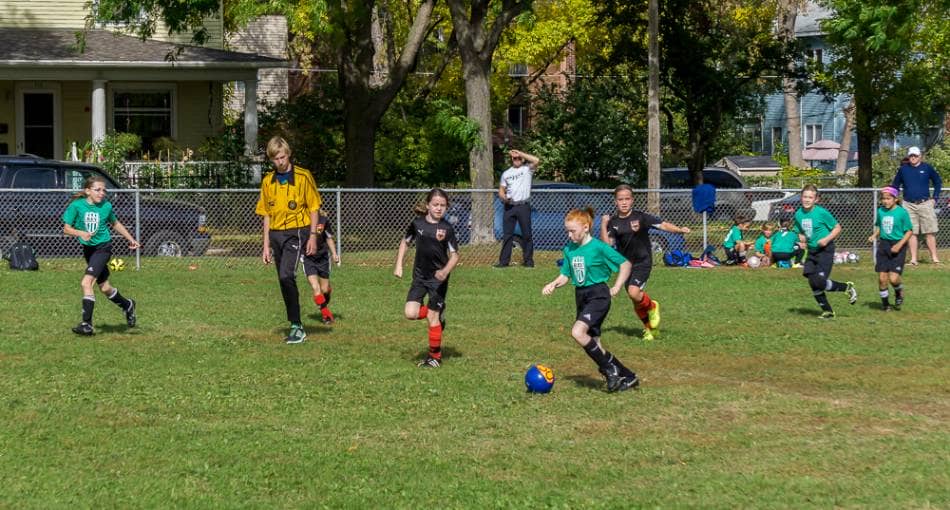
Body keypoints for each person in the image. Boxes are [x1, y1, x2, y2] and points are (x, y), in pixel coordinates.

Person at [543, 208, 639, 393]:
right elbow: (565, 275)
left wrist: (617, 286)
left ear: (586, 227)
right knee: (594, 343)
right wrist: (553, 284)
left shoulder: (598, 247)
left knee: (578, 332)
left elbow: (625, 264)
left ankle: (609, 370)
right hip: (581, 296)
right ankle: (628, 376)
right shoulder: (569, 249)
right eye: (567, 231)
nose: (569, 235)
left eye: (573, 230)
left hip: (598, 295)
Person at [600, 184, 691, 341]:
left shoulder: (640, 217)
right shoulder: (613, 222)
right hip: (626, 265)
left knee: (634, 292)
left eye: (627, 199)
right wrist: (603, 224)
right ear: (615, 201)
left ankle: (653, 306)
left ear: (632, 200)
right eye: (620, 199)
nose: (624, 202)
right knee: (635, 299)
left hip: (643, 261)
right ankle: (650, 329)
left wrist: (679, 229)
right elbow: (607, 244)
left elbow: (662, 224)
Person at [255, 136, 322, 344]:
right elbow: (266, 214)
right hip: (275, 234)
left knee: (286, 275)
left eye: (282, 157)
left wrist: (312, 236)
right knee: (283, 280)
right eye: (275, 159)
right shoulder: (268, 181)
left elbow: (314, 208)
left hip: (296, 232)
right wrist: (265, 245)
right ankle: (295, 322)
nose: (280, 162)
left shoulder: (303, 177)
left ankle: (297, 326)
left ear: (288, 154)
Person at [61, 175, 139, 335]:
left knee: (86, 283)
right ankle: (128, 305)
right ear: (87, 191)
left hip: (103, 248)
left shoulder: (106, 206)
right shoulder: (77, 206)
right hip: (89, 250)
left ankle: (86, 325)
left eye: (104, 190)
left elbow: (115, 223)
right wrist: (80, 232)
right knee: (105, 287)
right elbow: (66, 229)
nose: (102, 193)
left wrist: (131, 239)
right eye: (97, 190)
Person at [394, 188, 460, 368]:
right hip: (419, 277)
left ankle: (434, 358)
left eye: (443, 205)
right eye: (435, 205)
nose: (439, 208)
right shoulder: (417, 224)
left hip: (438, 280)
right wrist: (399, 264)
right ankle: (439, 314)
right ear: (428, 205)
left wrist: (445, 271)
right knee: (410, 313)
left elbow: (455, 256)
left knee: (432, 317)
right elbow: (405, 242)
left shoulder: (447, 228)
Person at [794, 184, 857, 318]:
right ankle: (828, 311)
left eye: (810, 197)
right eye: (805, 196)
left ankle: (846, 287)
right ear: (801, 197)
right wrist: (801, 238)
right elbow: (800, 230)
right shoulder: (798, 214)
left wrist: (826, 239)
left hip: (825, 250)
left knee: (820, 281)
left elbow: (837, 228)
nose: (807, 200)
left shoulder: (821, 213)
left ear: (816, 199)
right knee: (813, 282)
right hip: (812, 251)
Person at [891, 146, 942, 265]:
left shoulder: (927, 168)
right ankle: (914, 259)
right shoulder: (903, 169)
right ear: (908, 157)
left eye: (915, 155)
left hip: (925, 204)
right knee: (911, 232)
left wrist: (935, 198)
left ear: (920, 156)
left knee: (929, 232)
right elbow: (895, 185)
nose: (913, 158)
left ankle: (935, 259)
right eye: (911, 156)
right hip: (908, 204)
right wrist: (894, 199)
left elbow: (938, 182)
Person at [868, 186, 913, 311]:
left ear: (895, 199)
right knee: (882, 278)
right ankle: (885, 305)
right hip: (884, 246)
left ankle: (899, 292)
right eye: (883, 199)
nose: (885, 201)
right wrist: (874, 235)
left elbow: (909, 231)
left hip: (898, 245)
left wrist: (899, 245)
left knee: (893, 278)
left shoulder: (902, 212)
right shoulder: (881, 211)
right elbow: (879, 226)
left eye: (888, 199)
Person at [495, 149, 540, 268]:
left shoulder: (527, 170)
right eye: (515, 158)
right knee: (507, 235)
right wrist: (503, 197)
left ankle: (528, 261)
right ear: (511, 160)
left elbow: (536, 160)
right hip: (510, 206)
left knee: (527, 234)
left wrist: (520, 153)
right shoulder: (506, 173)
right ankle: (503, 262)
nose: (517, 160)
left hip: (523, 206)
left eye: (519, 158)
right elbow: (501, 190)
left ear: (522, 159)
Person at [304, 209, 340, 325]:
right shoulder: (300, 220)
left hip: (323, 257)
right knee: (316, 288)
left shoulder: (323, 220)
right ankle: (326, 315)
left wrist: (334, 253)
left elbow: (329, 238)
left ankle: (326, 294)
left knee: (324, 290)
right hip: (308, 258)